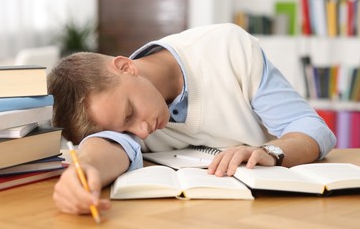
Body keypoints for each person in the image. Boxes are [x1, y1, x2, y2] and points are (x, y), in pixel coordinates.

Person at [48, 23, 336, 215]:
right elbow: (107, 146)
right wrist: (84, 170)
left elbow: (311, 128)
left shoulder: (227, 48)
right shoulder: (121, 116)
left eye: (130, 113)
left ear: (125, 67)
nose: (142, 131)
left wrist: (268, 152)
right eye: (126, 128)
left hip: (282, 210)